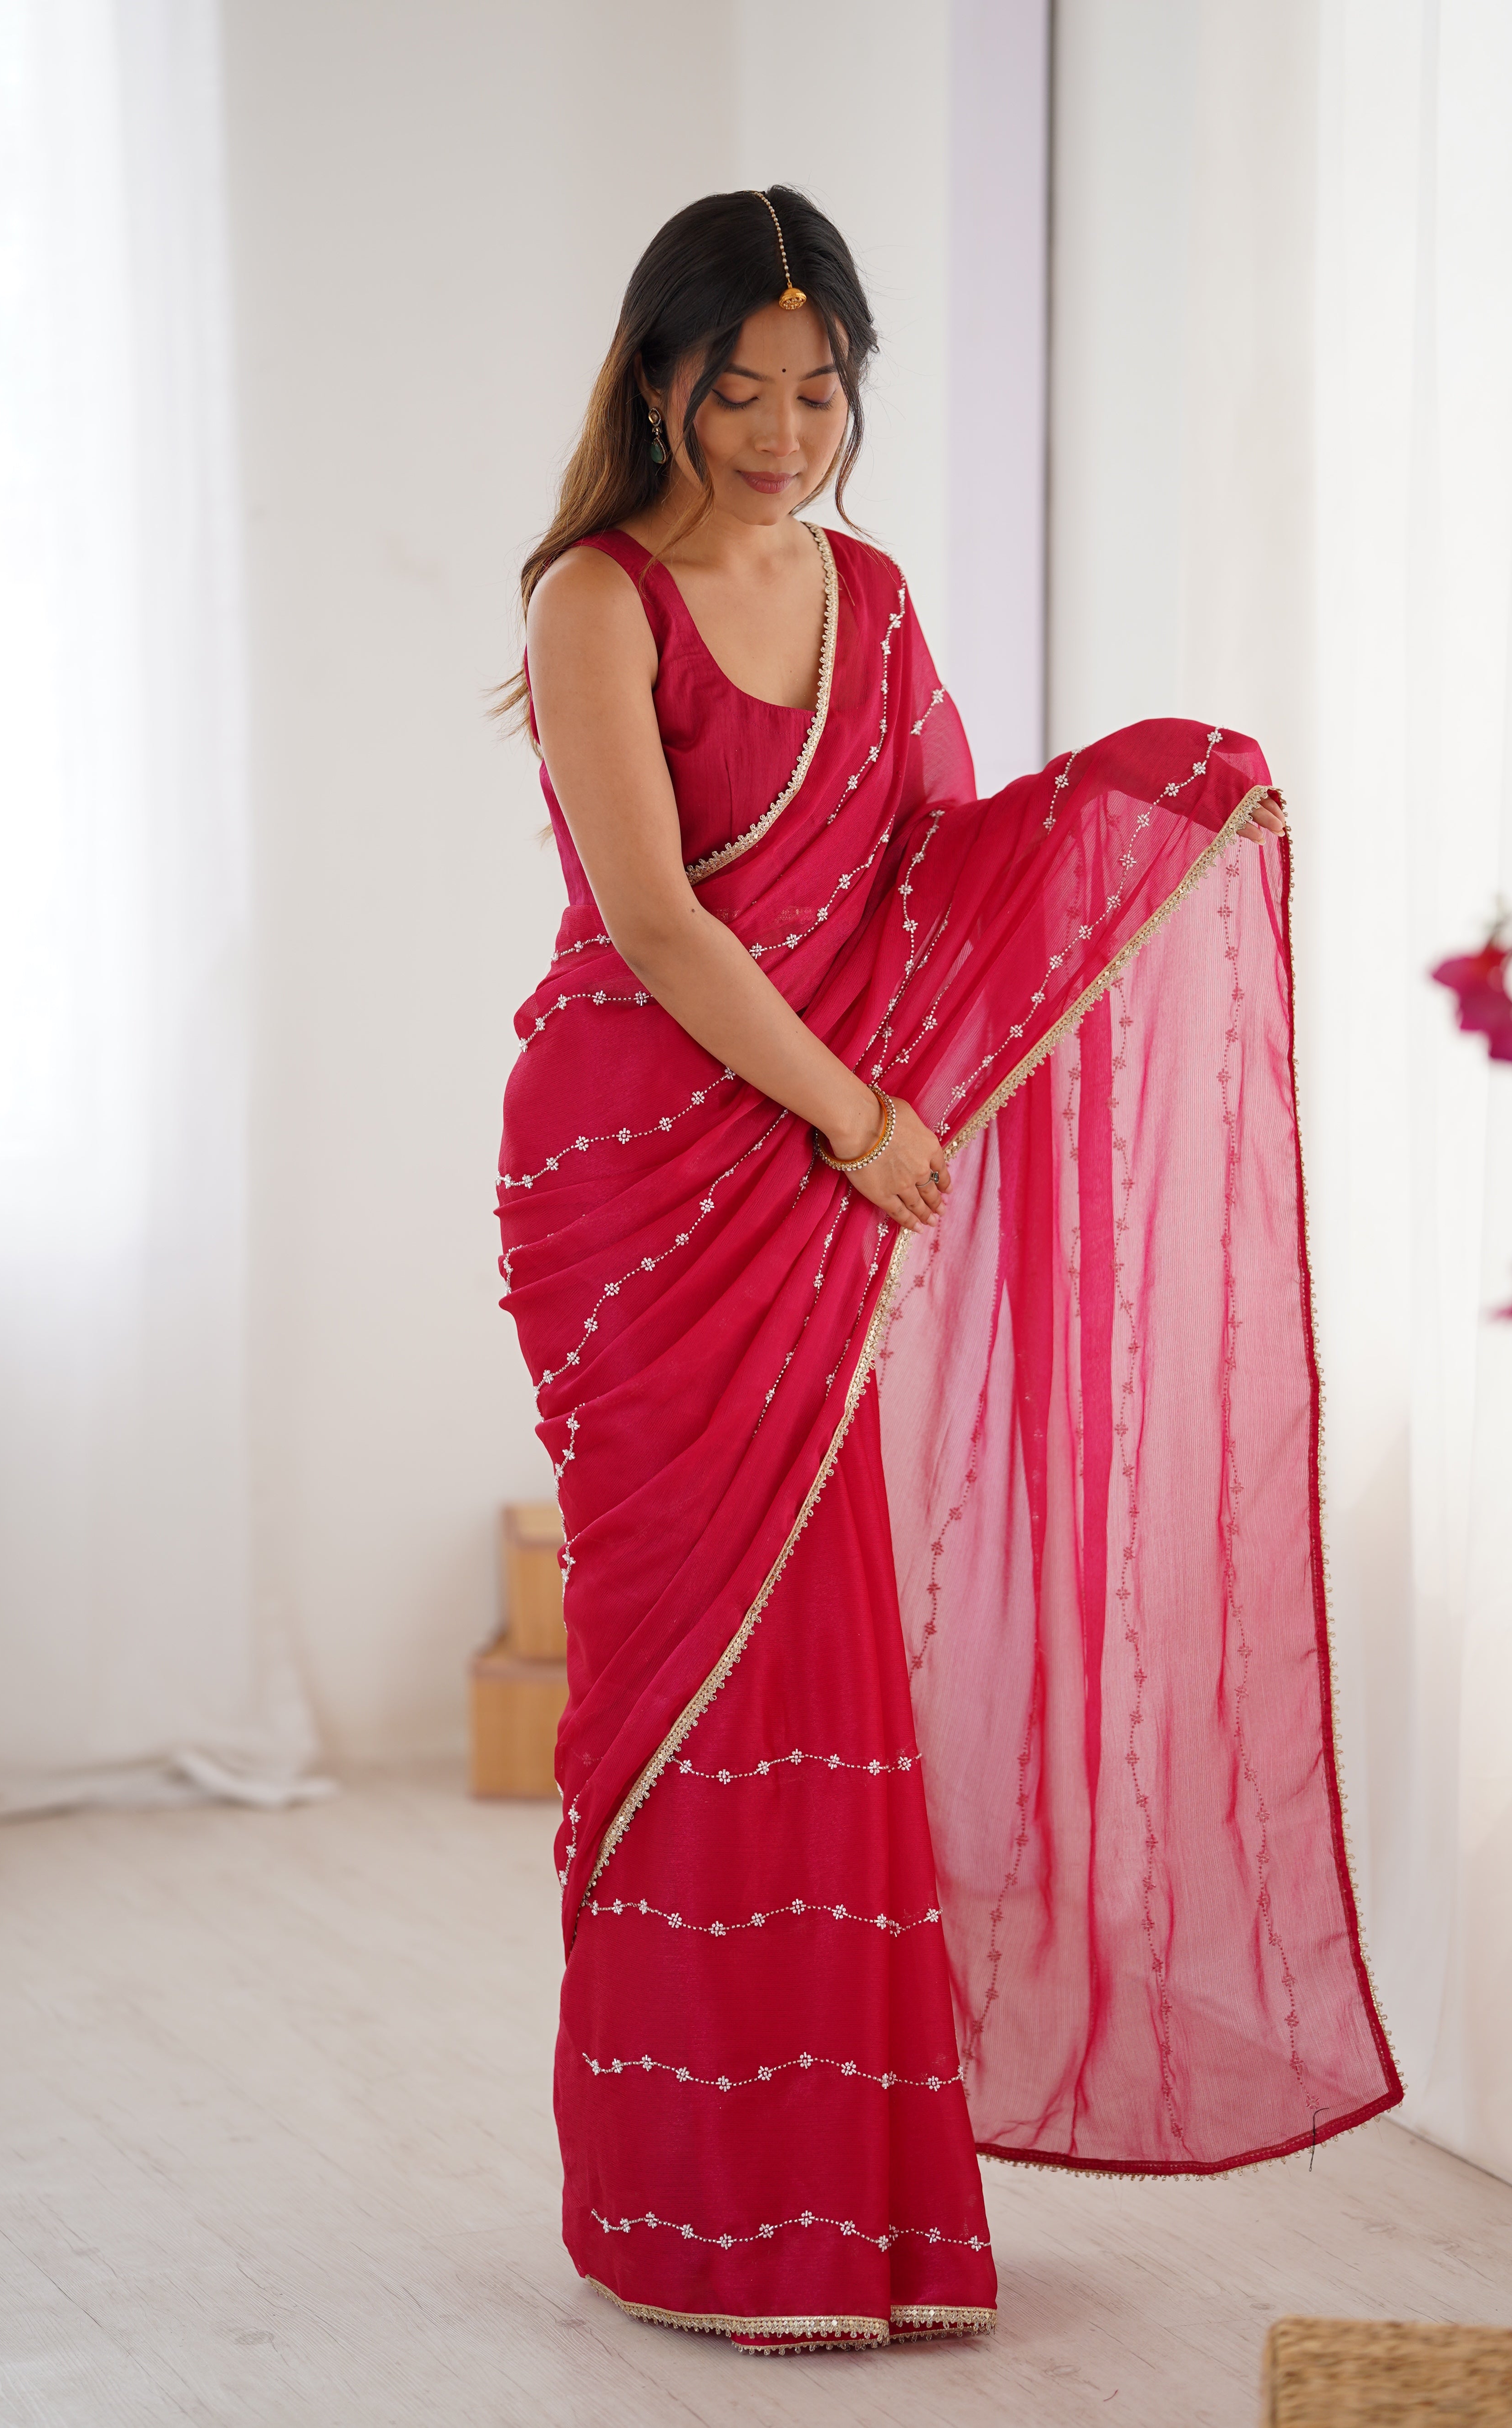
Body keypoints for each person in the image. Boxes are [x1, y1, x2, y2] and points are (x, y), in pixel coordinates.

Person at [496, 186, 1399, 2357]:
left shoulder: (874, 600)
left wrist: (1154, 805)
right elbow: (659, 924)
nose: (786, 431)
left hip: (811, 1151)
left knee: (824, 1668)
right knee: (677, 1682)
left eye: (820, 394)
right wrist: (857, 1118)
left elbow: (938, 869)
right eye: (742, 391)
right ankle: (689, 2210)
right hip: (648, 1175)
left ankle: (850, 2207)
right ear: (659, 381)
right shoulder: (594, 603)